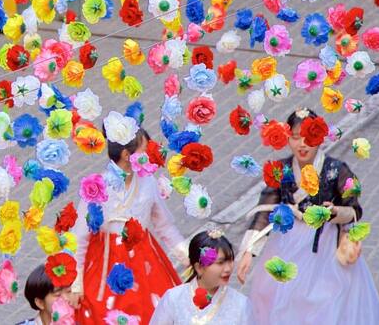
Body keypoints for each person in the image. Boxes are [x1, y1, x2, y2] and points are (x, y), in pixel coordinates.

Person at [235, 108, 379, 324]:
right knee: (278, 298)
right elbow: (266, 209)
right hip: (286, 241)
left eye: (308, 137)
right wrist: (249, 251)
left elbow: (354, 210)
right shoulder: (282, 168)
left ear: (318, 137)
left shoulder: (336, 170)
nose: (302, 144)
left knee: (325, 302)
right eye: (295, 138)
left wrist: (334, 212)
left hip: (324, 246)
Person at [69, 112, 188, 322]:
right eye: (143, 150)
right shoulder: (96, 187)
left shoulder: (147, 181)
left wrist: (189, 258)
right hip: (104, 264)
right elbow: (79, 237)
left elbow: (165, 227)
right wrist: (76, 283)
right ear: (126, 154)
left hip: (145, 262)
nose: (148, 155)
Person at [151, 230, 251, 324]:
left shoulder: (241, 304)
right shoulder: (173, 298)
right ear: (199, 268)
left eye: (230, 260)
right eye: (220, 263)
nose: (228, 269)